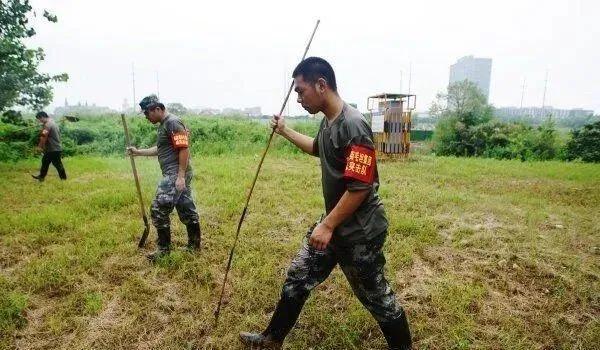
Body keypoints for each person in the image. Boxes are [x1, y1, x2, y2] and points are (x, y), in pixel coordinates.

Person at [239, 57, 412, 349]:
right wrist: (284, 131)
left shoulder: (354, 125)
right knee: (298, 276)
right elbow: (317, 148)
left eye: (301, 91)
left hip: (358, 231)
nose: (298, 98)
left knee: (377, 297)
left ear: (321, 85)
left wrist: (327, 225)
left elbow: (360, 187)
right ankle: (271, 340)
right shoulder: (328, 121)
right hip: (333, 226)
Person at [127, 95, 201, 261]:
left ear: (158, 109)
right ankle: (194, 245)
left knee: (158, 209)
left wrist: (180, 176)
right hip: (176, 173)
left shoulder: (173, 122)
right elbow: (160, 149)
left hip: (175, 174)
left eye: (147, 113)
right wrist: (138, 152)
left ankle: (164, 250)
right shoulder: (164, 125)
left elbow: (184, 149)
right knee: (186, 207)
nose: (146, 117)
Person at [32, 111, 67, 181]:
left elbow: (43, 136)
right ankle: (41, 177)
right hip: (54, 148)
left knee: (57, 163)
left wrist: (40, 147)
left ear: (42, 117)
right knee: (45, 161)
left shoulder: (47, 125)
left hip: (53, 148)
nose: (39, 121)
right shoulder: (52, 123)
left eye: (39, 119)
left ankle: (63, 178)